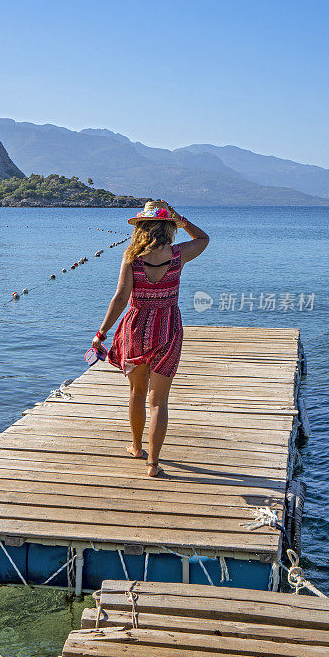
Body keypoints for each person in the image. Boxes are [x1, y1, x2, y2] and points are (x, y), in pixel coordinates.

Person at [92, 200, 210, 476]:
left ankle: (136, 447)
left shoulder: (131, 257)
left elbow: (121, 298)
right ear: (169, 226)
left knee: (136, 392)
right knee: (159, 400)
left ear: (141, 227)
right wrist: (181, 218)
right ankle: (153, 464)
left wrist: (102, 332)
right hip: (167, 328)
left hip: (136, 328)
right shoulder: (178, 255)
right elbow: (203, 238)